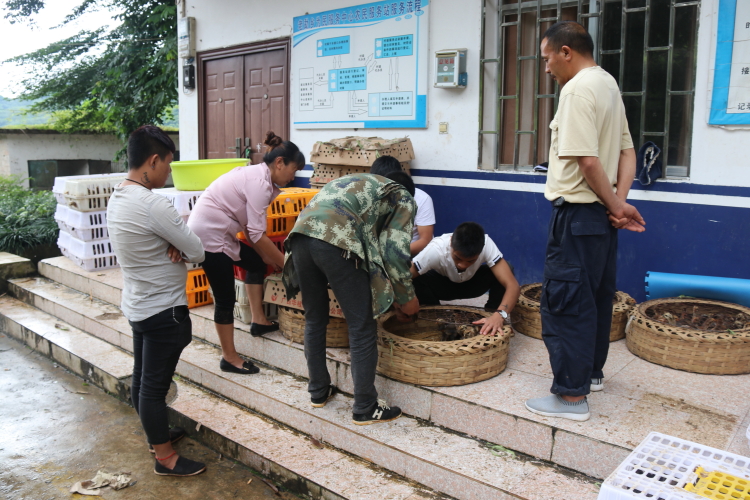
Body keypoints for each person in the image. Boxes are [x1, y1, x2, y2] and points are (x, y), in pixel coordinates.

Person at [525, 21, 645, 422]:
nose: (546, 68)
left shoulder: (576, 90)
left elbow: (588, 162)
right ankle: (591, 375)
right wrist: (618, 205)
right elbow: (627, 153)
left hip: (577, 215)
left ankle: (571, 398)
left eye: (547, 59)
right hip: (601, 219)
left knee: (566, 303)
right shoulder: (608, 85)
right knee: (594, 297)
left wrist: (615, 205)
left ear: (566, 52)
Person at [282, 171, 420, 425]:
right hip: (335, 240)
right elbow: (393, 252)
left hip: (300, 237)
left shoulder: (356, 182)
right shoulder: (402, 195)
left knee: (315, 318)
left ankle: (318, 391)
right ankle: (365, 406)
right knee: (362, 326)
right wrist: (406, 297)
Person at [107, 125, 206, 477]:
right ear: (152, 161)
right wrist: (178, 243)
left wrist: (174, 243)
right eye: (168, 163)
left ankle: (156, 436)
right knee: (153, 387)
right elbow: (197, 250)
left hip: (138, 305)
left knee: (142, 378)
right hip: (164, 310)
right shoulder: (152, 204)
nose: (169, 172)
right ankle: (165, 458)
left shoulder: (118, 196)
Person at [188, 131, 305, 375]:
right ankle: (229, 358)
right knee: (225, 298)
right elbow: (256, 235)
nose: (293, 176)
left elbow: (254, 232)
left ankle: (259, 320)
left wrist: (268, 257)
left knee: (255, 264)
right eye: (293, 170)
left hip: (220, 232)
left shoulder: (259, 177)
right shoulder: (259, 183)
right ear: (280, 163)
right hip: (209, 237)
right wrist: (287, 265)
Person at [410, 222, 520, 336]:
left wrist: (500, 315)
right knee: (414, 278)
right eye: (457, 258)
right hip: (442, 288)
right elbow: (403, 278)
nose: (462, 265)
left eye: (470, 261)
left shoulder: (486, 243)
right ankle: (435, 316)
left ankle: (491, 318)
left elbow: (513, 286)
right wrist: (405, 302)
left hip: (472, 286)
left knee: (507, 269)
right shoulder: (436, 248)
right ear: (451, 242)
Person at [370, 155, 435, 256]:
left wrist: (393, 254)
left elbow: (425, 240)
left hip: (410, 254)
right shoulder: (371, 195)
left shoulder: (422, 199)